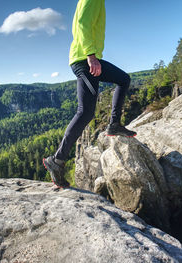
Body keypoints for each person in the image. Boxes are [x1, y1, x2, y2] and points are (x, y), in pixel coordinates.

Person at [43, 0, 136, 188]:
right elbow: (82, 24)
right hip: (84, 60)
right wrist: (91, 55)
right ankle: (57, 160)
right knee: (85, 112)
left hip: (90, 58)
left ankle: (114, 125)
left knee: (123, 79)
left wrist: (93, 56)